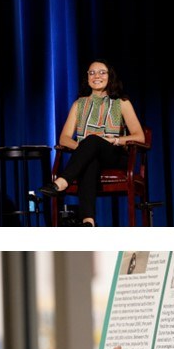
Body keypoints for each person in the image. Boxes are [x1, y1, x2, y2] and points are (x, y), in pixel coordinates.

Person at [39, 60, 145, 226]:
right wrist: (85, 148)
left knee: (93, 141)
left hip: (114, 156)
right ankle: (89, 221)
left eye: (102, 72)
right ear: (87, 78)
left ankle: (63, 181)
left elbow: (140, 137)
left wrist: (115, 140)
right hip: (88, 157)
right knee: (90, 158)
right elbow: (64, 138)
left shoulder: (122, 103)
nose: (97, 76)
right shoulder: (79, 104)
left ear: (110, 77)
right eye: (92, 72)